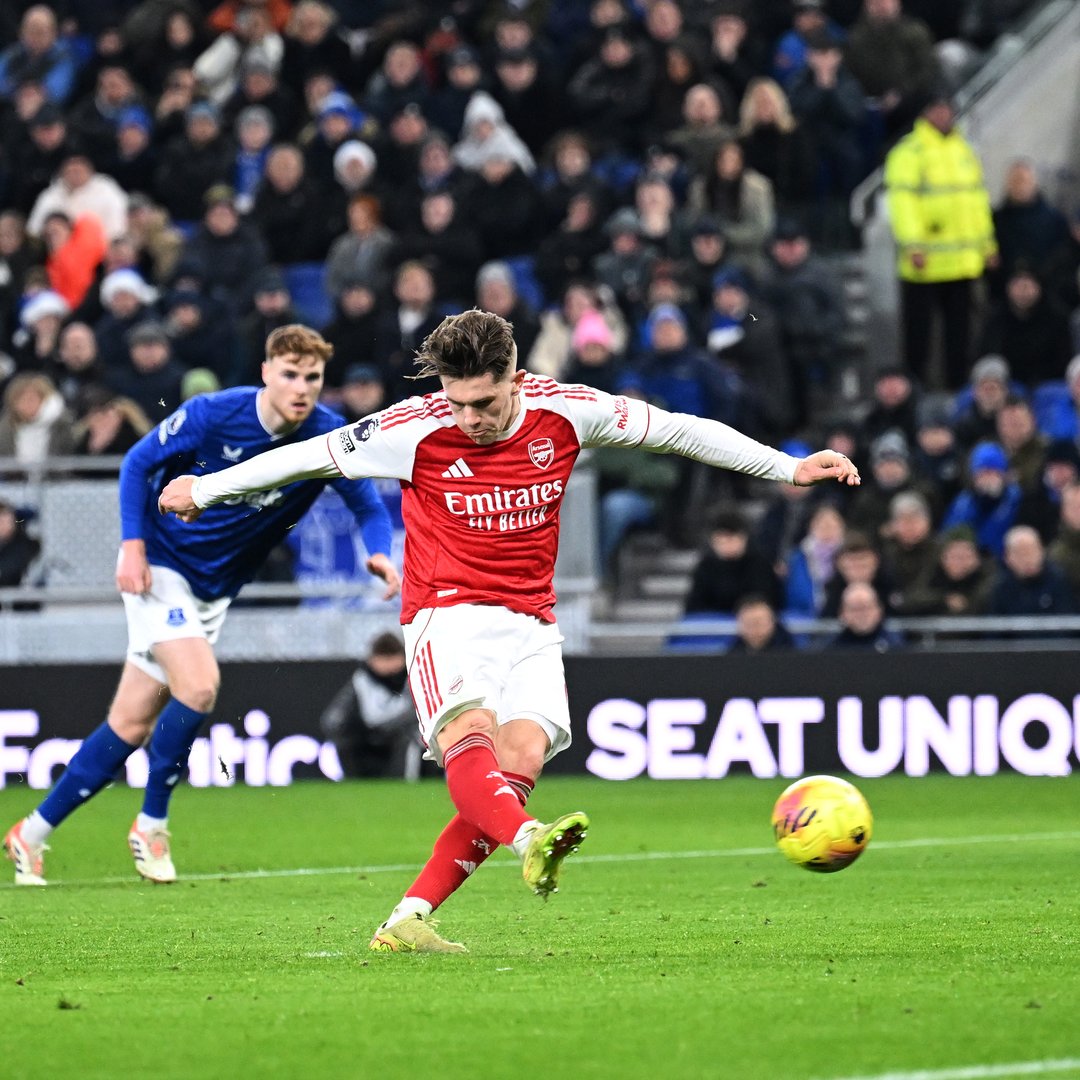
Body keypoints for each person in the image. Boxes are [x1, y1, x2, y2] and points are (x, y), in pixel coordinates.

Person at [156, 308, 860, 952]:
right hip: (445, 611)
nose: (469, 418)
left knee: (518, 761)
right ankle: (528, 839)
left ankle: (407, 919)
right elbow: (308, 455)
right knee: (472, 741)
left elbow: (677, 429)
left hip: (531, 618)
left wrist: (788, 467)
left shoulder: (569, 411)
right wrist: (208, 488)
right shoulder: (413, 427)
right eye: (458, 402)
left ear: (515, 378)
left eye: (485, 402)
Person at [3, 325, 400, 887]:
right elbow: (138, 463)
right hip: (162, 570)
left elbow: (367, 504)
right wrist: (133, 546)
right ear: (265, 372)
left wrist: (380, 554)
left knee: (130, 723)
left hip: (213, 594)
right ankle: (152, 823)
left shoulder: (325, 436)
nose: (302, 387)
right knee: (199, 687)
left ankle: (32, 833)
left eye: (312, 377)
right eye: (290, 374)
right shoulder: (215, 414)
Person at [884, 90, 997, 388]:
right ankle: (914, 390)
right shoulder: (910, 152)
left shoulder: (964, 151)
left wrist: (987, 245)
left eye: (947, 108)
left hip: (961, 262)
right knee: (917, 335)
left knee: (959, 334)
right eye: (937, 108)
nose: (943, 114)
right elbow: (902, 204)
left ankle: (956, 388)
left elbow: (976, 202)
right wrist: (913, 244)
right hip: (925, 262)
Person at [320, 632, 431, 780]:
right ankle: (355, 788)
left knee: (412, 742)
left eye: (392, 658)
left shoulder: (414, 677)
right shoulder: (361, 681)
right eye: (382, 659)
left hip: (399, 737)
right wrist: (356, 730)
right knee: (345, 743)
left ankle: (406, 786)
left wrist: (387, 728)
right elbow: (333, 719)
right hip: (367, 740)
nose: (388, 665)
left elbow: (418, 712)